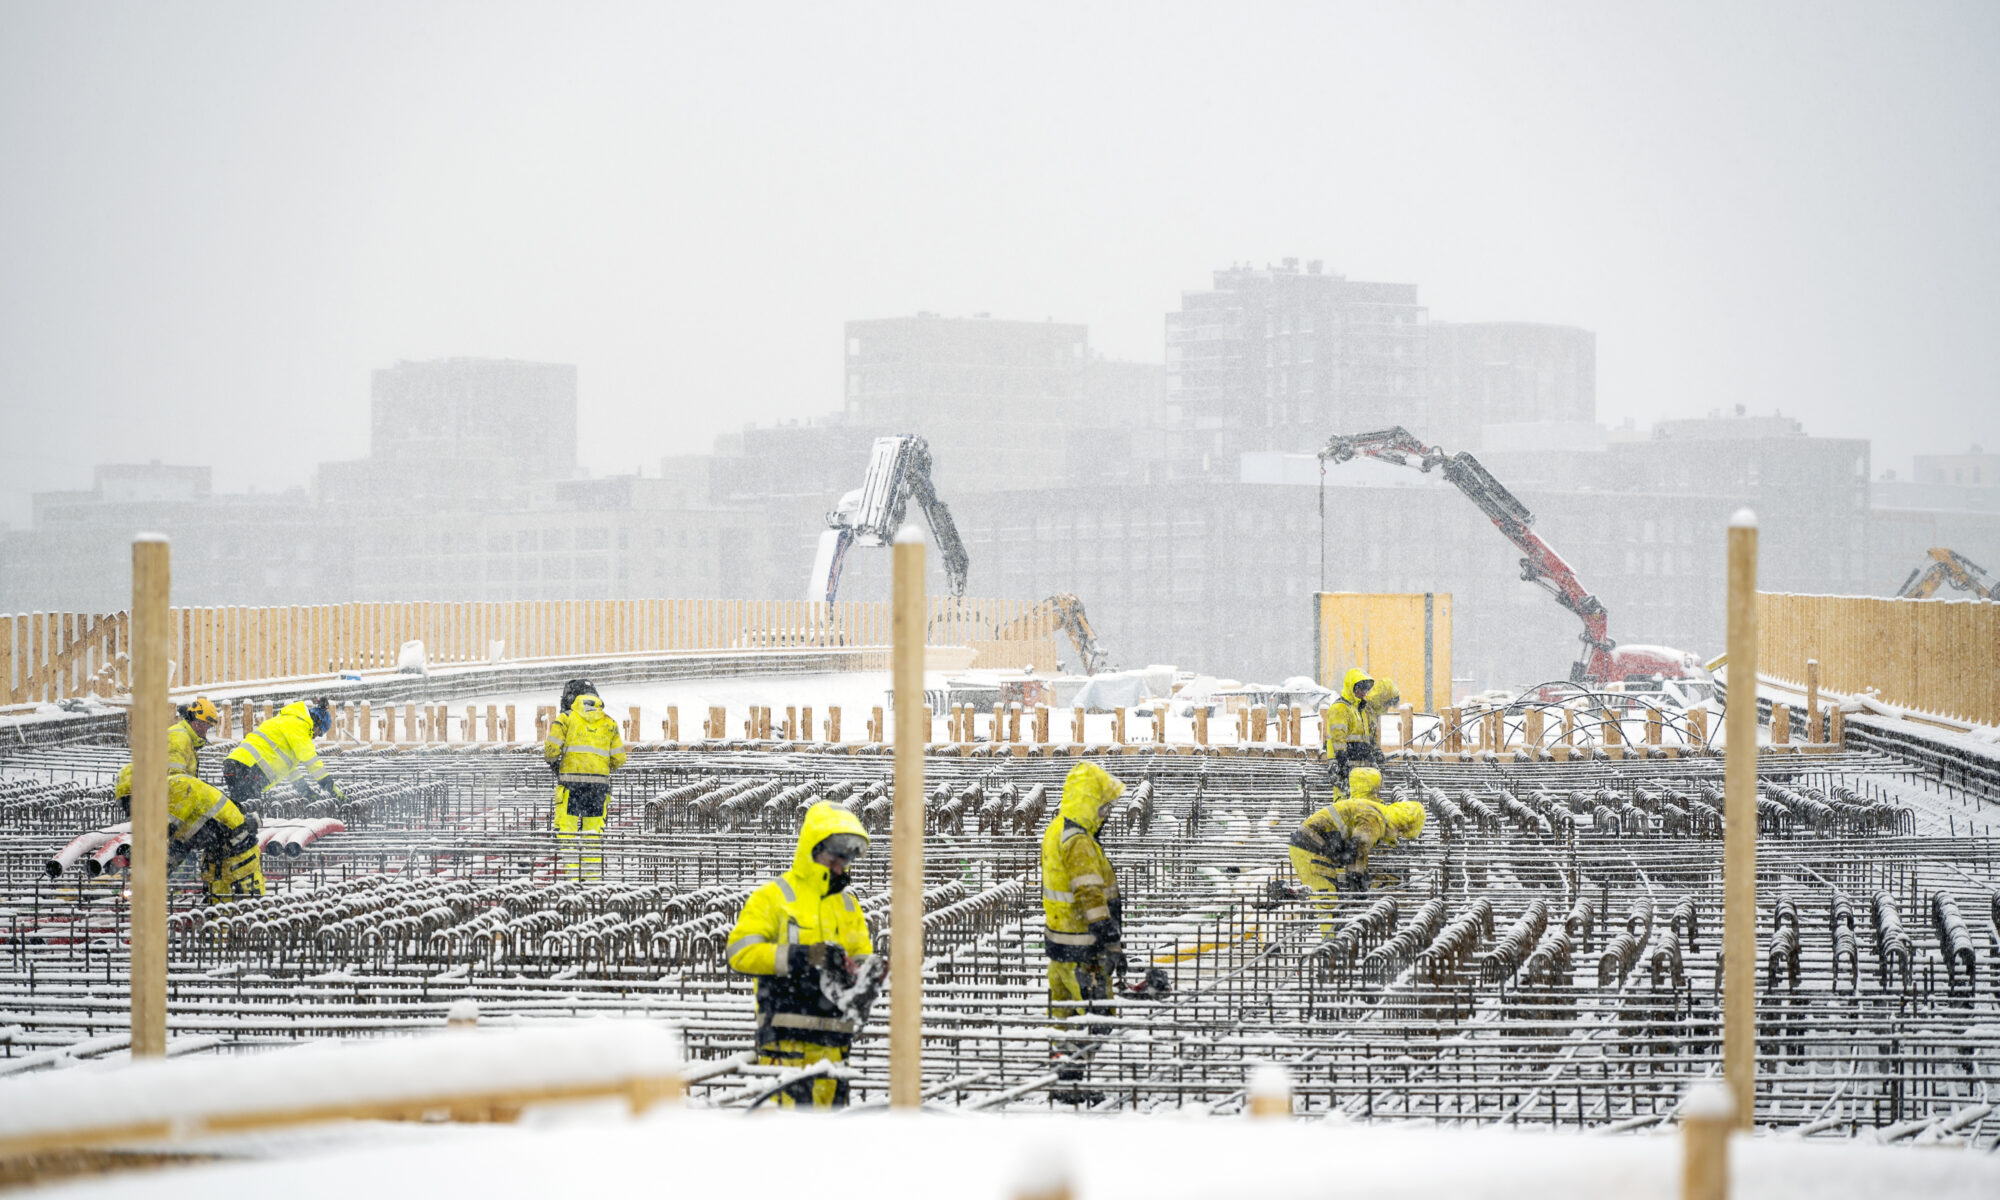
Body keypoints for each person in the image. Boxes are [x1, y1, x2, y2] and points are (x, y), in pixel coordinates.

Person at [725, 802, 876, 1109]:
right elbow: (740, 952)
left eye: (845, 859)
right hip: (784, 1041)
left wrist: (864, 976)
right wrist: (802, 956)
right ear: (813, 849)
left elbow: (861, 958)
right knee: (787, 1140)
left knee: (829, 1141)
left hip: (835, 1044)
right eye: (833, 857)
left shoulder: (848, 906)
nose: (839, 866)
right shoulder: (774, 897)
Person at [1040, 760, 1127, 1105]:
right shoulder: (1079, 842)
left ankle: (1065, 1077)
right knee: (1096, 1014)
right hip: (1083, 947)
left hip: (1059, 943)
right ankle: (1071, 1078)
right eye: (1104, 806)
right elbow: (1088, 891)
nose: (1106, 814)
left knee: (1063, 1015)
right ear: (1090, 803)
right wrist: (1108, 936)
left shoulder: (1057, 829)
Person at [1287, 768, 1426, 932]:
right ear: (1399, 825)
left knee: (1332, 897)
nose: (1397, 836)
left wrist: (1358, 876)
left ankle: (1335, 939)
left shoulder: (1375, 811)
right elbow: (1359, 845)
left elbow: (1352, 847)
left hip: (1313, 846)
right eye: (1401, 833)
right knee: (1327, 900)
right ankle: (1329, 949)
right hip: (1310, 848)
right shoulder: (1376, 819)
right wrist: (1357, 877)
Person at [115, 767, 264, 902]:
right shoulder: (165, 797)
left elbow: (167, 841)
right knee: (216, 910)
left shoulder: (176, 791)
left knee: (249, 907)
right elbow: (175, 846)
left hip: (239, 850)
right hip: (217, 851)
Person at [542, 681, 626, 880]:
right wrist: (600, 767)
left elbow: (550, 751)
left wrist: (559, 764)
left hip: (571, 785)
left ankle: (573, 879)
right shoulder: (609, 722)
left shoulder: (566, 718)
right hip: (598, 788)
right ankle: (591, 881)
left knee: (567, 833)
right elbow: (619, 759)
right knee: (592, 835)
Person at [223, 697, 344, 811]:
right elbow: (312, 761)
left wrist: (306, 791)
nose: (314, 737)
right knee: (250, 814)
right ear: (316, 724)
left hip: (239, 766)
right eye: (318, 733)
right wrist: (330, 787)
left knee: (241, 812)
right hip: (248, 768)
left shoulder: (288, 721)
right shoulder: (300, 726)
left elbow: (289, 769)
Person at [1322, 668, 1379, 786]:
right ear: (1352, 687)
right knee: (1344, 802)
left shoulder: (1360, 710)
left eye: (1366, 689)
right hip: (1344, 765)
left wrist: (1372, 754)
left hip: (1359, 766)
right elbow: (1338, 738)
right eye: (1361, 688)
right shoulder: (1340, 708)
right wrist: (1342, 763)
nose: (1364, 693)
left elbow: (1364, 738)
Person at [1361, 676, 1401, 762]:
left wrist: (1376, 750)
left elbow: (1371, 736)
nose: (1388, 708)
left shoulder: (1373, 712)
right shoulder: (1365, 709)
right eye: (1389, 704)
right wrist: (1369, 753)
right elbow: (1362, 737)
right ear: (1383, 700)